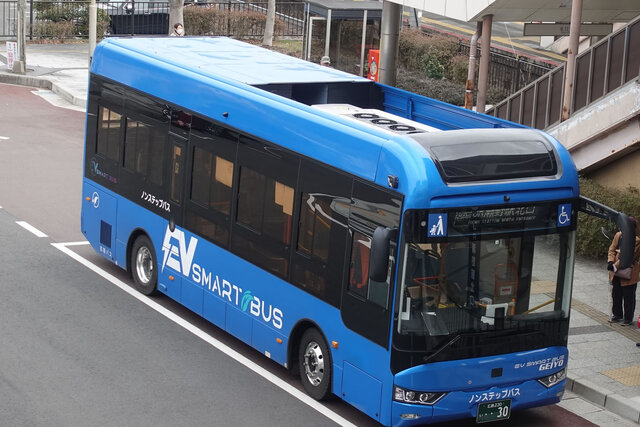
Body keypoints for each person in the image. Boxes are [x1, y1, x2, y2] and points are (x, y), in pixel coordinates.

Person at [607, 216, 640, 326]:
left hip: (629, 272)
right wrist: (610, 262)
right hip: (616, 272)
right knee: (616, 294)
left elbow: (628, 256)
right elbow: (612, 249)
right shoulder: (618, 235)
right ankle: (617, 314)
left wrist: (615, 266)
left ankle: (628, 318)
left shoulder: (636, 241)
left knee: (628, 297)